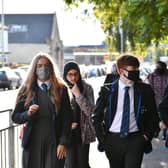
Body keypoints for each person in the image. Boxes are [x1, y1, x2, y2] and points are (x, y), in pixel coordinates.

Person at [92, 54, 159, 168]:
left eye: (137, 70)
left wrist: (146, 136)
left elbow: (153, 116)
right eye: (132, 71)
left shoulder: (145, 90)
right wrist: (103, 140)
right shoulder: (107, 90)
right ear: (121, 71)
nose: (136, 74)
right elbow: (96, 116)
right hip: (112, 140)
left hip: (136, 139)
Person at [11, 52, 72, 168]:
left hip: (54, 144)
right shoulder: (26, 90)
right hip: (32, 144)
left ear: (51, 67)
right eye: (39, 66)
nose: (43, 68)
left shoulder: (61, 89)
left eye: (46, 65)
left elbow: (67, 119)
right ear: (34, 69)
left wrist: (63, 142)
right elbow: (15, 117)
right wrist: (27, 113)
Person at [63, 61, 96, 168]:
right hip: (67, 133)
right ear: (65, 75)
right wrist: (67, 124)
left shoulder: (87, 88)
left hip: (83, 132)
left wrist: (78, 95)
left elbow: (90, 111)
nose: (73, 78)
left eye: (75, 74)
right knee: (70, 164)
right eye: (70, 75)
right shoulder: (61, 89)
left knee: (83, 164)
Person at [147, 61, 168, 139]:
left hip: (165, 101)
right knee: (155, 117)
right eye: (156, 67)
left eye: (159, 67)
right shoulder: (152, 76)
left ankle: (165, 133)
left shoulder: (167, 75)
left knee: (165, 117)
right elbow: (148, 87)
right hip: (155, 100)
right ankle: (156, 130)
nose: (157, 69)